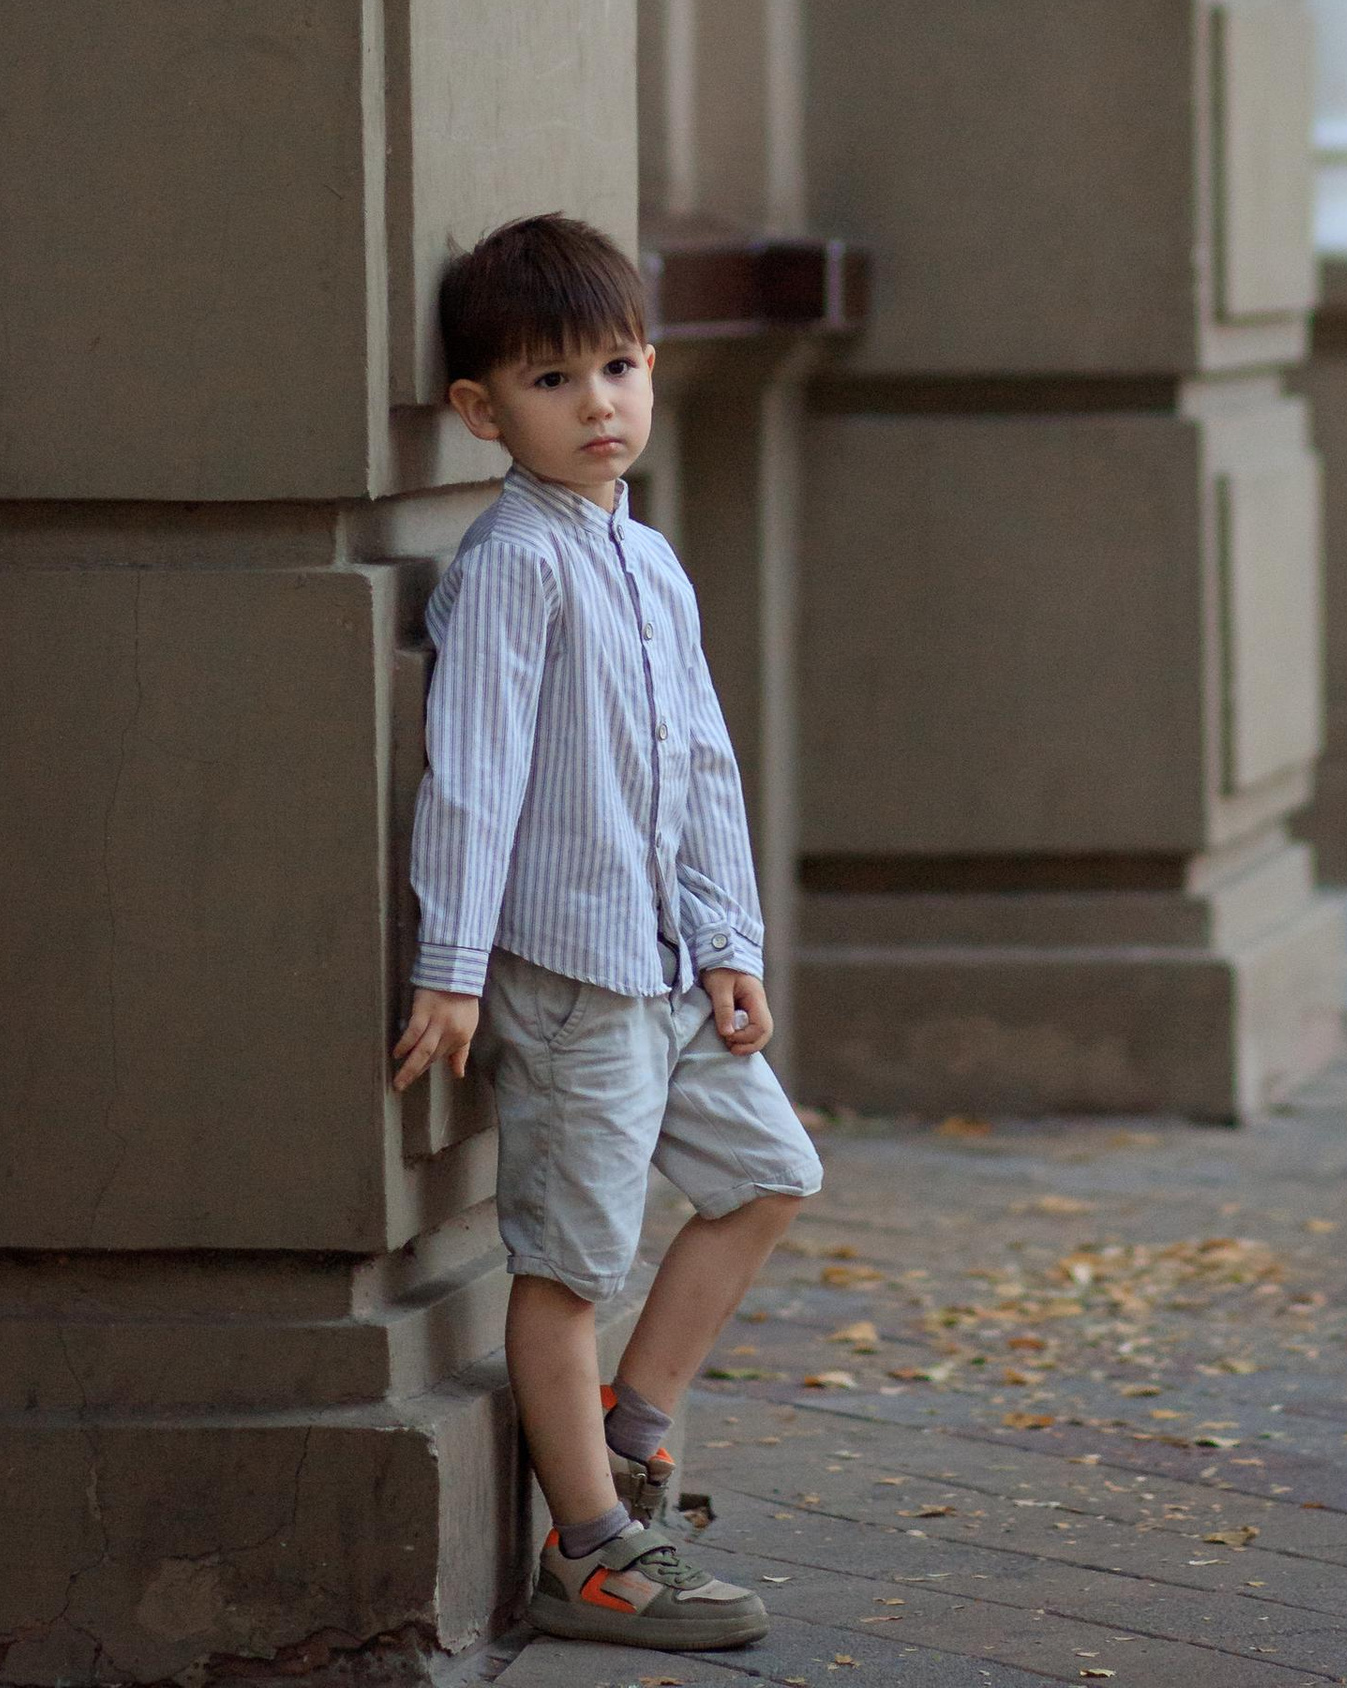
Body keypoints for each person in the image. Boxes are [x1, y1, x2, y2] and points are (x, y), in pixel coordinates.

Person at [392, 211, 821, 1649]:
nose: (599, 405)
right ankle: (588, 1550)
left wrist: (729, 940)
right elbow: (473, 777)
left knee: (768, 1175)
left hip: (669, 970)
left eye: (620, 369)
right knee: (570, 1263)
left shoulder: (648, 560)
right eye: (554, 380)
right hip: (573, 980)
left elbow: (700, 764)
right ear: (481, 411)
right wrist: (454, 969)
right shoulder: (512, 564)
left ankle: (631, 1425)